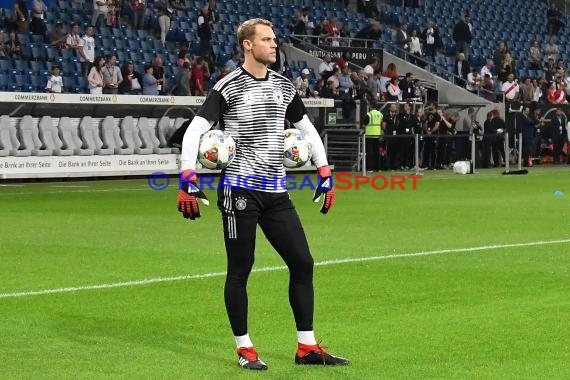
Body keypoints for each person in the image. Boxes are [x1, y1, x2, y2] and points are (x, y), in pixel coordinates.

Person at [177, 18, 349, 371]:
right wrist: (187, 176)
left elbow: (308, 130)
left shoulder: (285, 87)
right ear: (247, 45)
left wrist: (325, 170)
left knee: (303, 263)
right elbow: (194, 131)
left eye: (274, 39)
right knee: (241, 269)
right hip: (239, 190)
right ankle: (244, 348)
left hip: (276, 192)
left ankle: (307, 347)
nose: (274, 44)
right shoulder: (227, 87)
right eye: (267, 39)